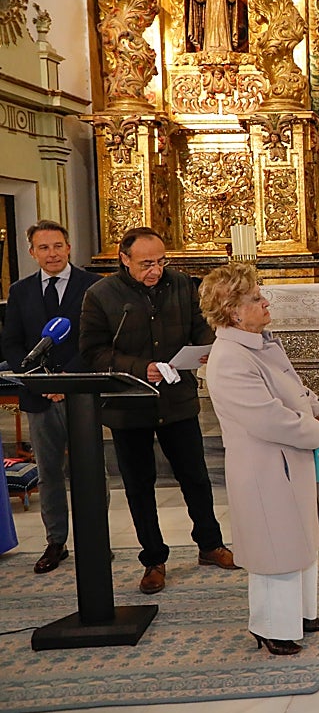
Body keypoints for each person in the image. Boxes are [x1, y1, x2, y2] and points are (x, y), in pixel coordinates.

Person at [79, 226, 238, 594]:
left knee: (195, 477)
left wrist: (206, 350)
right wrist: (141, 368)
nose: (156, 270)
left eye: (161, 261)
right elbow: (93, 351)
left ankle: (210, 544)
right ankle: (153, 558)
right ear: (124, 259)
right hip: (128, 402)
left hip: (176, 398)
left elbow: (202, 327)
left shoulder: (181, 285)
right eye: (146, 264)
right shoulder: (100, 295)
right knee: (139, 485)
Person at [199, 264, 319, 656]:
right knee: (276, 548)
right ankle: (272, 627)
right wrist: (318, 432)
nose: (265, 303)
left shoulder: (260, 344)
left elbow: (297, 389)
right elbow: (267, 418)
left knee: (300, 540)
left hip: (291, 459)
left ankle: (300, 614)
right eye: (256, 299)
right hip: (265, 467)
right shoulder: (230, 358)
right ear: (233, 311)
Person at [0, 220, 101, 573]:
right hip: (39, 396)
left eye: (58, 246)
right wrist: (39, 381)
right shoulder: (21, 291)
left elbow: (96, 338)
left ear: (69, 247)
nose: (52, 253)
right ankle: (56, 542)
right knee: (49, 473)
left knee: (91, 472)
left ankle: (95, 541)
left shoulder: (93, 285)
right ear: (32, 253)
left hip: (80, 394)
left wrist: (66, 379)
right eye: (44, 247)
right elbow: (12, 343)